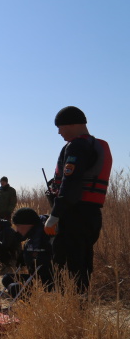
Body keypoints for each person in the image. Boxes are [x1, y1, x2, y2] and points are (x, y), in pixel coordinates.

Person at [45, 106, 113, 292]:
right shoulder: (94, 145)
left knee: (66, 265)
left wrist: (56, 214)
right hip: (91, 215)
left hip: (75, 214)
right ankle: (80, 307)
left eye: (60, 127)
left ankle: (70, 310)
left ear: (73, 124)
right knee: (82, 264)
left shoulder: (77, 146)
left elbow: (71, 183)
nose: (59, 132)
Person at [1, 207, 54, 298]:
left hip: (50, 282)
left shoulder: (46, 237)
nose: (17, 230)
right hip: (36, 278)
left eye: (18, 226)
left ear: (28, 224)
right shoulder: (31, 238)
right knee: (7, 278)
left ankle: (36, 304)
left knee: (14, 288)